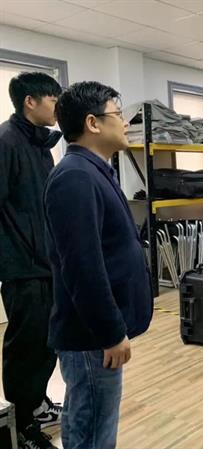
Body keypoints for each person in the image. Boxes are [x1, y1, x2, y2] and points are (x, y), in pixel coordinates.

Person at [44, 81, 153, 449]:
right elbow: (82, 267)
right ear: (92, 123)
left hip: (95, 334)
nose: (126, 123)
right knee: (92, 432)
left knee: (92, 423)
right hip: (90, 337)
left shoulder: (94, 171)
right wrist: (110, 332)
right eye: (118, 115)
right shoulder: (75, 177)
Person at [0, 72, 63, 449]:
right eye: (53, 99)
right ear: (30, 101)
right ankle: (22, 426)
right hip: (23, 267)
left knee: (45, 342)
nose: (58, 106)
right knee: (26, 347)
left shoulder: (39, 143)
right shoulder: (6, 142)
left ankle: (36, 404)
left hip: (46, 262)